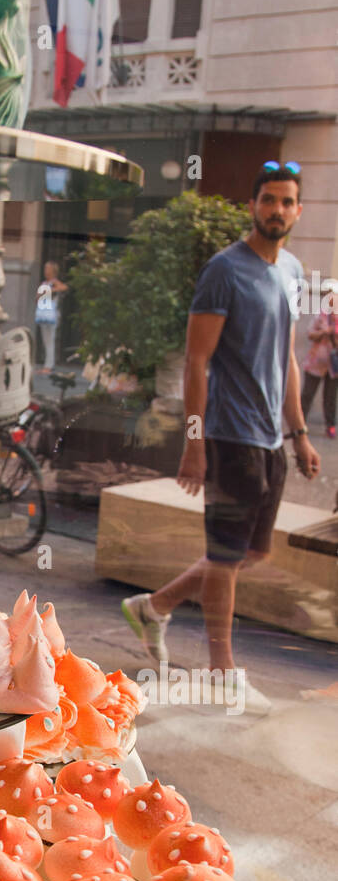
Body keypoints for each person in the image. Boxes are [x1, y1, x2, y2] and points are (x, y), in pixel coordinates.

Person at [121, 162, 320, 712]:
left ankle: (154, 606)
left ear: (297, 211)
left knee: (252, 551)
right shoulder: (224, 271)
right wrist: (194, 441)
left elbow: (287, 359)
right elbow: (197, 361)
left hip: (271, 438)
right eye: (268, 200)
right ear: (253, 206)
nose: (277, 210)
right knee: (226, 558)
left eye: (286, 202)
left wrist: (299, 432)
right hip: (229, 435)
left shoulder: (292, 271)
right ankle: (221, 673)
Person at [300, 283, 337, 438]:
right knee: (307, 393)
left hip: (333, 365)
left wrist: (332, 332)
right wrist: (322, 332)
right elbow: (310, 333)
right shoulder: (320, 315)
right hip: (316, 362)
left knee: (330, 397)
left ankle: (330, 425)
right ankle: (300, 423)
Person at [35, 261, 68, 373]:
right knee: (45, 339)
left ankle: (49, 365)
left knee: (50, 339)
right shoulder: (44, 283)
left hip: (51, 314)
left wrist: (50, 291)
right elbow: (38, 297)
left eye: (48, 269)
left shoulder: (54, 282)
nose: (46, 271)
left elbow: (63, 287)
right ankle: (47, 364)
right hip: (43, 313)